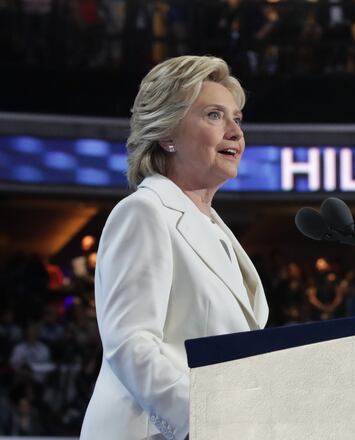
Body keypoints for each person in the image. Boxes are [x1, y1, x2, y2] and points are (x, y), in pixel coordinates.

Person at [80, 56, 269, 440]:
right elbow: (131, 344)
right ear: (167, 133)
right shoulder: (144, 212)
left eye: (238, 118)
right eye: (215, 115)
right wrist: (207, 419)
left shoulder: (215, 228)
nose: (235, 131)